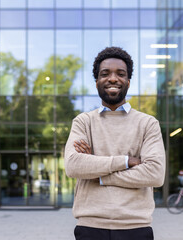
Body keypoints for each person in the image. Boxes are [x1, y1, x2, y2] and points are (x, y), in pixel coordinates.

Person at [64, 46, 166, 240]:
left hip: (136, 228)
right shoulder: (83, 122)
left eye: (120, 74)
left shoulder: (148, 124)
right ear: (96, 82)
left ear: (128, 81)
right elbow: (73, 165)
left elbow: (155, 173)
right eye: (105, 74)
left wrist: (99, 174)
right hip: (90, 228)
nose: (112, 79)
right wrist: (127, 161)